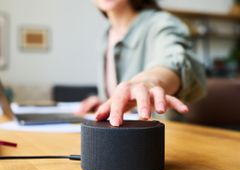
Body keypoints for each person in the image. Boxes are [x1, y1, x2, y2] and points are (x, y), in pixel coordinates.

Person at [76, 0, 206, 126]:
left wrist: (149, 82)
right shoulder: (105, 37)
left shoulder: (161, 23)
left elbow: (174, 60)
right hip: (117, 138)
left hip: (163, 139)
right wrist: (103, 102)